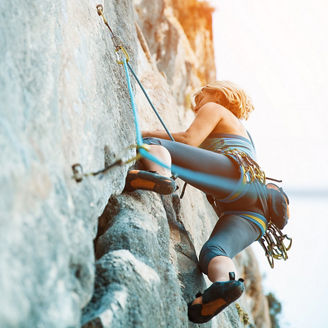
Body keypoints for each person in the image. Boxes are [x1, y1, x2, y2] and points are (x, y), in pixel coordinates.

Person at [124, 80, 270, 323]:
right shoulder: (245, 134)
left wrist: (147, 132)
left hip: (235, 177)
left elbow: (189, 139)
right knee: (213, 252)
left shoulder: (215, 107)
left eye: (200, 97)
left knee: (153, 146)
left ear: (218, 93)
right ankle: (225, 285)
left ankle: (159, 177)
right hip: (255, 212)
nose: (198, 105)